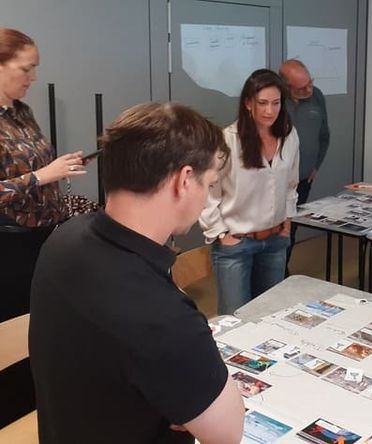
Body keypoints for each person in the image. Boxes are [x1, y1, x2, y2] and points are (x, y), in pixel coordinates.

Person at [29, 102, 245, 444]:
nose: (206, 198)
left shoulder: (64, 240)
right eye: (209, 183)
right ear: (184, 180)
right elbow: (227, 432)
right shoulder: (161, 315)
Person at [0, 28, 86, 323]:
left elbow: (36, 167)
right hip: (11, 247)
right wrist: (41, 176)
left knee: (46, 320)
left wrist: (59, 167)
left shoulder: (22, 112)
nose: (33, 77)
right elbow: (35, 176)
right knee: (16, 328)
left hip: (46, 235)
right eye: (26, 68)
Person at [200, 69, 299, 315]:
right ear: (247, 104)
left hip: (275, 241)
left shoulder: (289, 136)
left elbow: (290, 184)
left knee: (270, 316)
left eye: (276, 103)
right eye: (262, 103)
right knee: (235, 320)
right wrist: (220, 233)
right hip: (237, 244)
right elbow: (207, 192)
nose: (269, 111)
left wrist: (287, 220)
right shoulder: (227, 140)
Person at [278, 59, 329, 271]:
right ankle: (273, 273)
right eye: (302, 88)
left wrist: (316, 165)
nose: (309, 89)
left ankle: (282, 269)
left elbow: (325, 135)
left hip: (304, 178)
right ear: (285, 87)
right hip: (277, 179)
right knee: (275, 229)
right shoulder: (275, 101)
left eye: (310, 83)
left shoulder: (316, 96)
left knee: (292, 227)